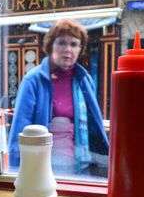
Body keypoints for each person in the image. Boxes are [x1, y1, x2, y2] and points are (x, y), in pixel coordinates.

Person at [8, 19, 108, 175]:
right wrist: (15, 173)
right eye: (61, 43)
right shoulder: (33, 80)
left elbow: (94, 126)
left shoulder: (84, 80)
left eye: (74, 44)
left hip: (81, 169)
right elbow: (19, 133)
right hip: (42, 169)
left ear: (80, 49)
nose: (68, 49)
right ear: (50, 47)